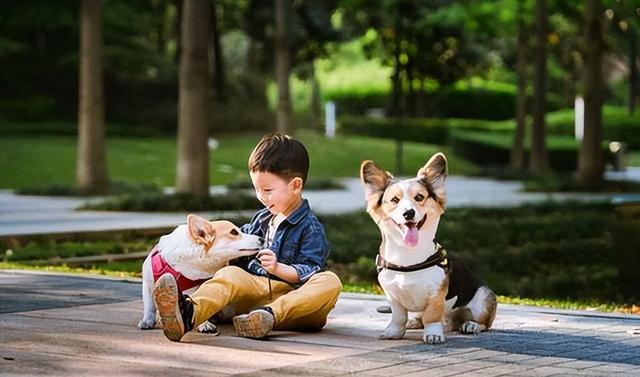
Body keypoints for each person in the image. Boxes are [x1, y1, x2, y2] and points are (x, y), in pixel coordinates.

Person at [153, 133, 342, 341]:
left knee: (329, 281)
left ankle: (267, 317)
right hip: (255, 294)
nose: (261, 196)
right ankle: (188, 314)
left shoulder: (310, 228)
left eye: (268, 190)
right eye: (257, 189)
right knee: (231, 274)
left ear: (295, 185)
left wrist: (278, 268)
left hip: (295, 304)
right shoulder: (261, 219)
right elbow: (236, 244)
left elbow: (310, 269)